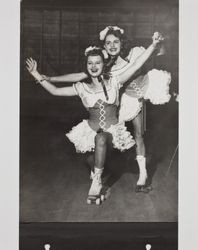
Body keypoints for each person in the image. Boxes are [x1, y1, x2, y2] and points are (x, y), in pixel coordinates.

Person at [26, 32, 163, 201]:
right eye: (90, 63)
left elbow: (135, 65)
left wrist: (154, 44)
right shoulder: (82, 87)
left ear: (103, 65)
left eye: (97, 62)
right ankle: (96, 169)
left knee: (101, 139)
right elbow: (55, 91)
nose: (93, 66)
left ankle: (97, 182)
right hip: (90, 133)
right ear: (86, 66)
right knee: (92, 160)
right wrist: (37, 75)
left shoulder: (115, 81)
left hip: (111, 134)